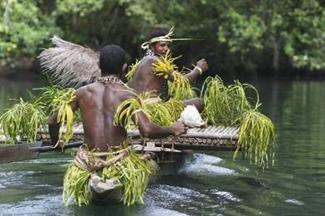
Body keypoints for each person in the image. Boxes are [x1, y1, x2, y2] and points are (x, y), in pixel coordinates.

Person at [48, 44, 185, 206]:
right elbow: (147, 130)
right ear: (124, 68)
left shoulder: (81, 93)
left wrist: (56, 143)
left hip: (87, 164)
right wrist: (172, 128)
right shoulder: (127, 95)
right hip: (119, 163)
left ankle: (92, 182)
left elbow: (52, 121)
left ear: (99, 66)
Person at [127, 28, 208, 111]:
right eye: (162, 45)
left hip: (137, 109)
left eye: (168, 46)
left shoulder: (140, 63)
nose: (166, 49)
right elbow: (182, 81)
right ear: (152, 46)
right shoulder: (156, 60)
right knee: (199, 102)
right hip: (152, 109)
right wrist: (198, 69)